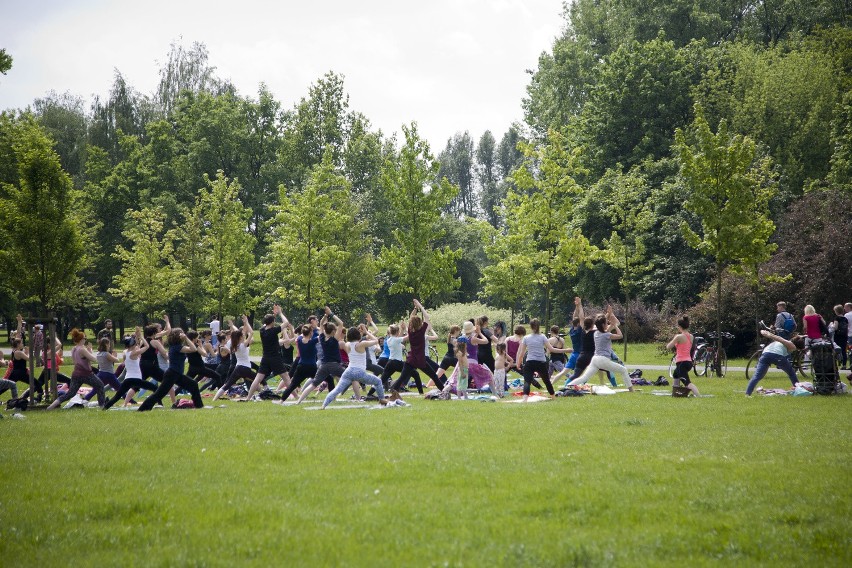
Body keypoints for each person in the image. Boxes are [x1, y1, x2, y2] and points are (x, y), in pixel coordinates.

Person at [566, 307, 634, 392]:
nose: (607, 324)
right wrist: (615, 325)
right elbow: (620, 336)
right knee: (623, 370)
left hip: (595, 359)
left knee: (584, 377)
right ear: (603, 325)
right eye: (606, 323)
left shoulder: (596, 333)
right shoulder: (606, 334)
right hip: (603, 359)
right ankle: (631, 390)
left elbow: (600, 324)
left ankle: (568, 386)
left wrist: (608, 314)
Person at [390, 300, 445, 398]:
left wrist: (415, 308)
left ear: (411, 325)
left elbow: (411, 318)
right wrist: (420, 306)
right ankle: (444, 392)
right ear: (420, 324)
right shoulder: (421, 331)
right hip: (420, 360)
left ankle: (393, 393)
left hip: (410, 359)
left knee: (402, 378)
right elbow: (427, 317)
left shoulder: (410, 331)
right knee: (434, 376)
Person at [139, 327, 204, 411]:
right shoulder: (177, 347)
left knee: (193, 384)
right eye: (182, 333)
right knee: (159, 394)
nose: (183, 335)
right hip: (172, 374)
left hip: (177, 374)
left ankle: (199, 406)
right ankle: (143, 409)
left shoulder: (177, 346)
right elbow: (194, 349)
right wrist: (186, 338)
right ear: (178, 336)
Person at [322, 326, 387, 409]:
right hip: (359, 372)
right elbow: (376, 340)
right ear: (358, 336)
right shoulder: (362, 344)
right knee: (378, 381)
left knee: (337, 390)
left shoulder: (347, 344)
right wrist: (367, 332)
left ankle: (324, 405)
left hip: (348, 371)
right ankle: (382, 400)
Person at [514, 318, 572, 401]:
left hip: (530, 362)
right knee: (547, 381)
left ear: (530, 327)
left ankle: (524, 399)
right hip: (541, 363)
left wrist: (518, 363)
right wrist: (566, 350)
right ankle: (553, 397)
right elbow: (552, 349)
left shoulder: (526, 338)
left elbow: (521, 354)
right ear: (539, 327)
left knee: (527, 381)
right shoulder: (542, 337)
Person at [47, 329, 105, 409]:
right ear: (81, 339)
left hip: (76, 374)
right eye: (85, 338)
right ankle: (102, 406)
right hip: (86, 374)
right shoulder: (82, 349)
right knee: (100, 385)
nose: (85, 340)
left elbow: (78, 360)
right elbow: (93, 359)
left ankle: (50, 407)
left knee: (70, 393)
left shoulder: (74, 349)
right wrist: (90, 350)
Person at [103, 330, 161, 410]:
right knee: (155, 389)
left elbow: (137, 347)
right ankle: (160, 403)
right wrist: (141, 337)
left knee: (117, 396)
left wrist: (137, 338)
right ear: (132, 345)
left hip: (128, 379)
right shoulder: (134, 354)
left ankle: (105, 408)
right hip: (136, 379)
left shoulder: (125, 352)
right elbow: (147, 346)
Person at [245, 305, 290, 401]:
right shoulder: (274, 331)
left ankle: (248, 397)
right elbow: (286, 323)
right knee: (286, 377)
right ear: (272, 322)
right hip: (275, 358)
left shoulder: (262, 331)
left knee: (258, 379)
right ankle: (296, 396)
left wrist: (273, 315)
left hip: (265, 358)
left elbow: (267, 323)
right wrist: (280, 313)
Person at [746, 330, 806, 395]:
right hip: (777, 356)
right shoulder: (792, 346)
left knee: (757, 376)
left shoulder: (785, 343)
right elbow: (780, 339)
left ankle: (747, 394)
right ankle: (798, 389)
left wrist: (804, 336)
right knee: (791, 373)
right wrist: (769, 335)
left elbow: (796, 338)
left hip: (765, 355)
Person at [212, 316, 255, 402]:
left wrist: (234, 325)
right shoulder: (244, 344)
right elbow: (252, 333)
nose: (243, 335)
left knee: (227, 385)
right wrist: (246, 323)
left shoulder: (233, 345)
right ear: (240, 337)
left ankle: (214, 399)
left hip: (238, 367)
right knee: (258, 380)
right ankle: (258, 394)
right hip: (245, 368)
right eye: (242, 335)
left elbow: (239, 332)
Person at [275, 324, 320, 404]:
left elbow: (299, 335)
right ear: (310, 333)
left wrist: (292, 328)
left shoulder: (299, 340)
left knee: (292, 385)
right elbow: (322, 335)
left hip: (301, 367)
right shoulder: (313, 341)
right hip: (312, 368)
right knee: (328, 379)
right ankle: (333, 397)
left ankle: (281, 401)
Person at [665, 316, 700, 397]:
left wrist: (673, 340)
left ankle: (698, 396)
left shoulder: (679, 337)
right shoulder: (691, 336)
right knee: (675, 375)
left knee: (687, 383)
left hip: (682, 363)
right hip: (688, 362)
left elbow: (668, 346)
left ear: (680, 326)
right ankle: (675, 394)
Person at [566, 297, 585, 374]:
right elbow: (582, 318)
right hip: (580, 354)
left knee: (566, 371)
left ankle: (569, 382)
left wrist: (576, 306)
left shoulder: (572, 330)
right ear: (578, 323)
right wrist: (580, 305)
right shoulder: (579, 331)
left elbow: (574, 317)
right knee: (583, 372)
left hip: (573, 353)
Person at [831, 305, 848, 370]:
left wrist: (832, 325)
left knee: (836, 349)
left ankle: (836, 364)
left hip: (838, 336)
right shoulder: (845, 319)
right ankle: (844, 364)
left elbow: (835, 327)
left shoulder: (837, 318)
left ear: (836, 311)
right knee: (843, 350)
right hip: (844, 336)